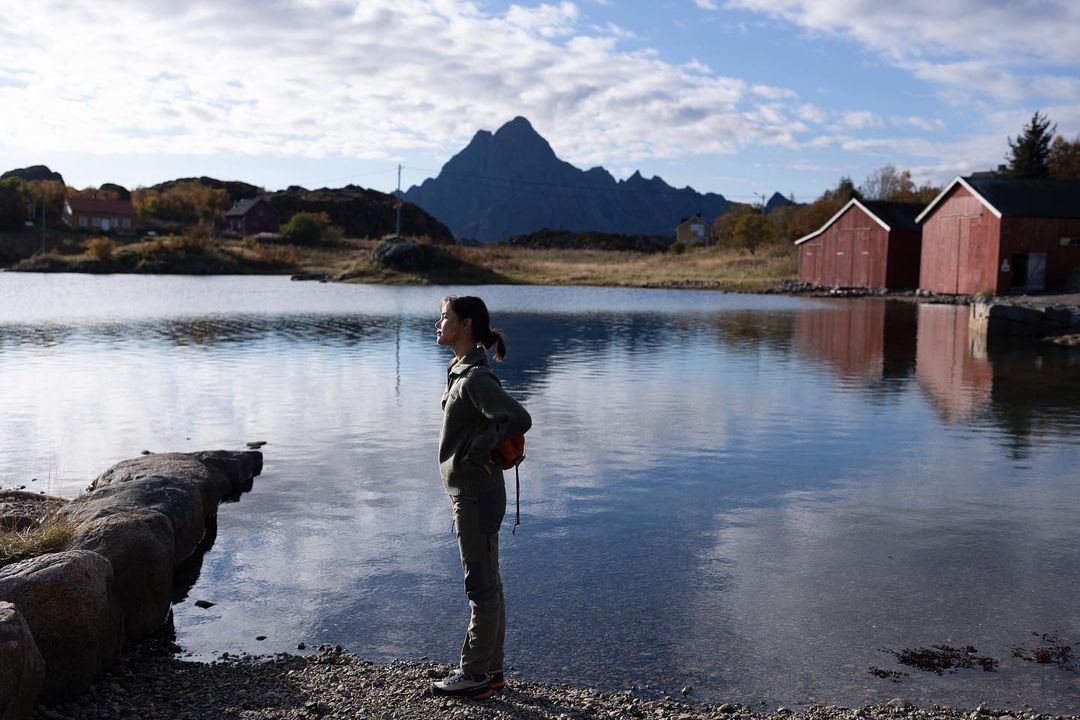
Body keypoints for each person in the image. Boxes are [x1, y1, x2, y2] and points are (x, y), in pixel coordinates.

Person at [431, 295, 532, 700]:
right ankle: (492, 670)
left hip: (475, 495)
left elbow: (519, 418)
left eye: (444, 318)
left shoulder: (474, 378)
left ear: (466, 324)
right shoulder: (460, 371)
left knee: (481, 588)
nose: (438, 324)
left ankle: (473, 674)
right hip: (471, 493)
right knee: (490, 583)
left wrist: (478, 449)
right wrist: (476, 445)